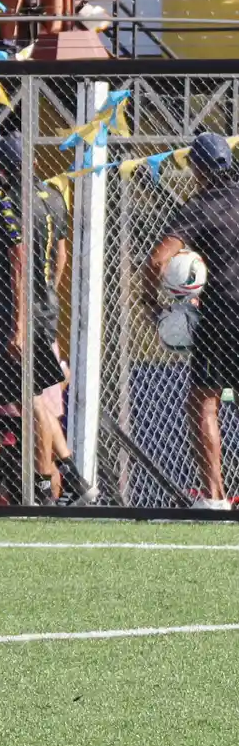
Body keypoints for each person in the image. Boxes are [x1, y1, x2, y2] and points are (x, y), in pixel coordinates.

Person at [0, 133, 76, 504]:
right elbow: (62, 255)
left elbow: (18, 261)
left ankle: (53, 484)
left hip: (19, 320)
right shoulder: (54, 196)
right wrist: (48, 289)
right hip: (46, 312)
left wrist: (19, 322)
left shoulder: (8, 205)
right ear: (33, 163)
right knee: (40, 404)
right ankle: (60, 483)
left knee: (31, 401)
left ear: (2, 169)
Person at [148, 132, 239, 510]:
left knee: (204, 402)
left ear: (198, 169)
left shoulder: (199, 207)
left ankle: (215, 497)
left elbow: (157, 260)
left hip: (220, 313)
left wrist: (150, 301)